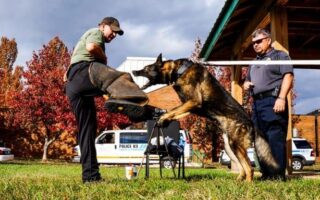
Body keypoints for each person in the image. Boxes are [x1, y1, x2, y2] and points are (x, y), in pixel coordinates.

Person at [65, 17, 147, 183]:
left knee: (87, 131)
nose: (114, 35)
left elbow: (67, 71)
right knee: (122, 77)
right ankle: (139, 103)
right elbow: (92, 47)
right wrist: (104, 59)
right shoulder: (96, 33)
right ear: (102, 26)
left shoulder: (81, 44)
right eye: (113, 30)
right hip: (84, 72)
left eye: (117, 33)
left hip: (73, 85)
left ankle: (90, 177)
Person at [243, 28, 294, 181]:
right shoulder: (254, 62)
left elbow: (288, 76)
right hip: (257, 104)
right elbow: (247, 80)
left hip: (273, 101)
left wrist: (282, 98)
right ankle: (266, 174)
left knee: (275, 138)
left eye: (259, 41)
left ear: (268, 40)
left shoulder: (280, 55)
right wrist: (246, 84)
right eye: (253, 43)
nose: (255, 45)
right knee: (260, 140)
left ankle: (277, 176)